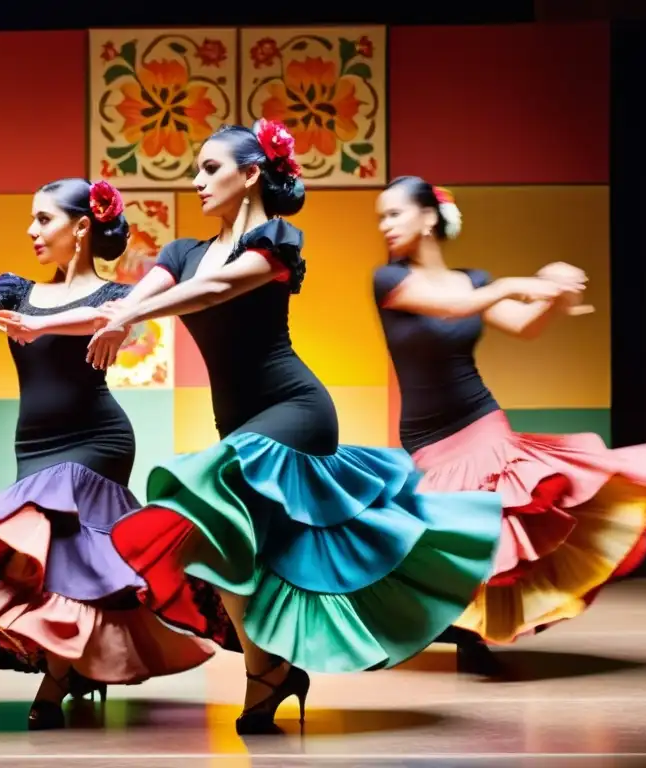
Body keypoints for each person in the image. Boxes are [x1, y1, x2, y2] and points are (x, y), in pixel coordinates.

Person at [40, 122, 503, 735]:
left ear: (251, 173)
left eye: (210, 168)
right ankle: (270, 675)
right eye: (197, 170)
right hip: (236, 417)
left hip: (296, 410)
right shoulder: (179, 252)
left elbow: (212, 292)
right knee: (227, 550)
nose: (196, 180)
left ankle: (273, 671)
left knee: (203, 486)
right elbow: (120, 301)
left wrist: (130, 314)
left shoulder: (277, 240)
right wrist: (33, 319)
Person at [0, 178, 213, 731]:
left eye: (43, 219)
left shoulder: (114, 297)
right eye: (31, 219)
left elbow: (103, 322)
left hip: (97, 441)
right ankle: (75, 666)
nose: (31, 231)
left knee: (72, 553)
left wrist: (40, 325)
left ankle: (56, 683)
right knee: (51, 564)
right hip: (34, 446)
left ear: (83, 227)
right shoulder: (16, 290)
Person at [371, 176, 646, 675]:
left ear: (427, 218)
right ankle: (452, 625)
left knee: (498, 524)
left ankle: (473, 636)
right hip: (426, 438)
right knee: (447, 538)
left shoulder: (476, 280)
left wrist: (555, 294)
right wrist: (515, 283)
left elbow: (524, 326)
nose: (386, 225)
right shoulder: (390, 281)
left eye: (394, 214)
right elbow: (452, 308)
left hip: (480, 418)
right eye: (381, 217)